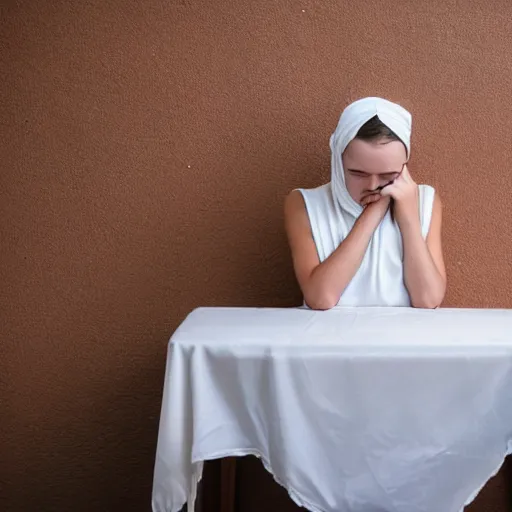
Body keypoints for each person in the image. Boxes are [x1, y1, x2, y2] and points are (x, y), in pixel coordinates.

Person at [284, 97, 446, 310]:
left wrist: (409, 219)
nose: (372, 185)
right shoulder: (304, 205)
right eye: (358, 173)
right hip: (329, 340)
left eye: (388, 175)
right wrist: (373, 213)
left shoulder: (425, 202)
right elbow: (321, 297)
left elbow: (428, 299)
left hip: (403, 340)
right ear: (338, 160)